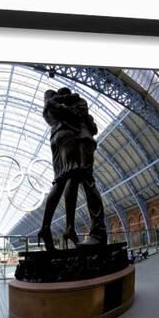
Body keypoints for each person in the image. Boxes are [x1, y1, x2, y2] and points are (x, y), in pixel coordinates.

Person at [38, 87, 106, 250]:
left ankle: (48, 227)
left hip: (61, 139)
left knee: (61, 181)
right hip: (75, 139)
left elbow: (89, 124)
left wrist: (60, 104)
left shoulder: (55, 107)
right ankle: (93, 232)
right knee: (81, 180)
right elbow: (86, 123)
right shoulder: (72, 103)